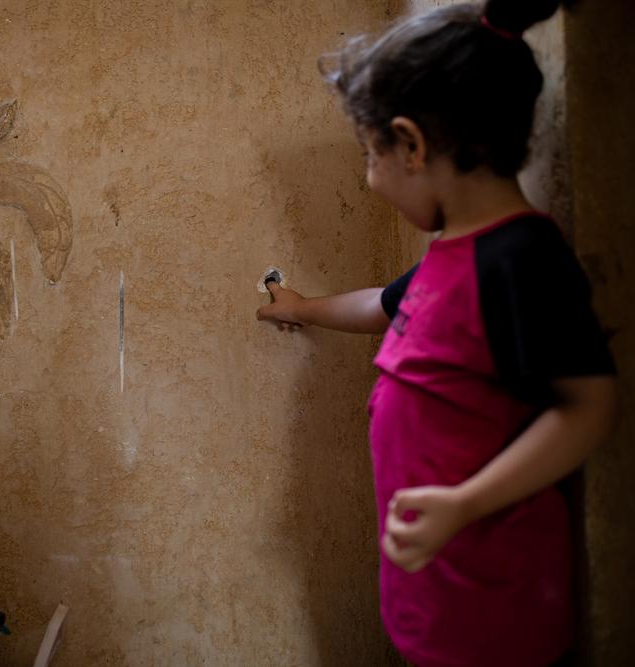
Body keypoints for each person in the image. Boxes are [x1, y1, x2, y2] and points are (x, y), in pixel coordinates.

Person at [256, 1, 618, 665]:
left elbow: (588, 405)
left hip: (496, 616)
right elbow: (382, 306)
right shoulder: (451, 254)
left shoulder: (519, 258)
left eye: (371, 155)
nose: (369, 181)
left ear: (413, 145)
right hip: (437, 600)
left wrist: (462, 503)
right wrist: (302, 307)